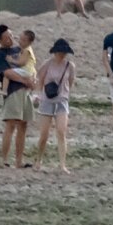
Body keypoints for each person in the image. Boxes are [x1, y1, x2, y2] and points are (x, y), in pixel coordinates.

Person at [0, 25, 33, 169]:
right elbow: (6, 73)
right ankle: (4, 160)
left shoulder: (19, 50)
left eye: (11, 35)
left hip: (25, 92)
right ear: (0, 40)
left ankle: (19, 161)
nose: (10, 39)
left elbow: (29, 65)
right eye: (6, 37)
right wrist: (24, 81)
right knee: (11, 125)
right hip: (13, 92)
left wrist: (31, 81)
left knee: (23, 125)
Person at [32, 38, 75, 172]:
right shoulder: (47, 64)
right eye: (60, 52)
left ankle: (62, 164)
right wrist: (38, 95)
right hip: (47, 101)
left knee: (61, 132)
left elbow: (71, 82)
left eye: (64, 53)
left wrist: (65, 94)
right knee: (44, 134)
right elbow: (39, 79)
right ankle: (39, 160)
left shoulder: (70, 65)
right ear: (55, 52)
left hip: (62, 101)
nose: (62, 55)